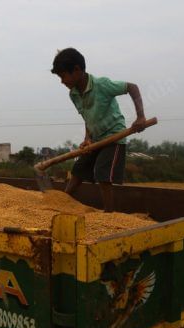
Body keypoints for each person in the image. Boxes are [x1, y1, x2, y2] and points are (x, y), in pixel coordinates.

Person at [51, 47, 146, 212]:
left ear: (77, 70)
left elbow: (132, 87)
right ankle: (61, 202)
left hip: (114, 136)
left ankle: (109, 213)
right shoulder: (73, 94)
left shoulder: (102, 85)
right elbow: (87, 117)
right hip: (95, 139)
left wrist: (140, 117)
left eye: (63, 76)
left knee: (102, 173)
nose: (62, 81)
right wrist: (87, 138)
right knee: (78, 170)